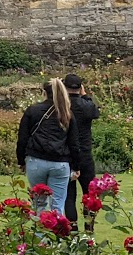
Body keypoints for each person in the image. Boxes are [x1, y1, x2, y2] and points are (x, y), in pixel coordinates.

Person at [15, 79, 76, 216]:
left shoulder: (33, 111)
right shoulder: (66, 113)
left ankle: (40, 236)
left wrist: (21, 160)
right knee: (58, 204)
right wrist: (76, 165)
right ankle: (57, 234)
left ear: (44, 93)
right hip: (60, 162)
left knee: (39, 203)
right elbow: (73, 143)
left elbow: (22, 139)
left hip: (36, 160)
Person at [63, 74, 100, 234]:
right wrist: (86, 96)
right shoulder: (86, 105)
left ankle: (73, 229)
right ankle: (89, 228)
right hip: (85, 154)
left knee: (69, 195)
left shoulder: (63, 105)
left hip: (67, 154)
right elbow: (95, 112)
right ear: (80, 87)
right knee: (89, 194)